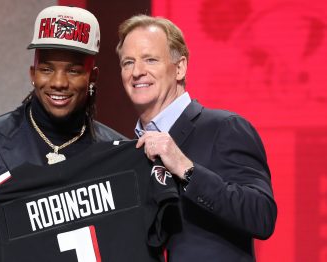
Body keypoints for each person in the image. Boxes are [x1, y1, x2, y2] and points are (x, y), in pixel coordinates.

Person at [0, 5, 124, 250]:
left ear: (92, 77)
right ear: (33, 73)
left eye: (73, 71)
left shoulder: (116, 154)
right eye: (47, 69)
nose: (59, 82)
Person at [116, 15, 277, 261]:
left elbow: (261, 216)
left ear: (180, 67)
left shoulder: (225, 128)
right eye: (128, 62)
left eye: (150, 59)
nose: (137, 72)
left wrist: (186, 169)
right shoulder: (128, 151)